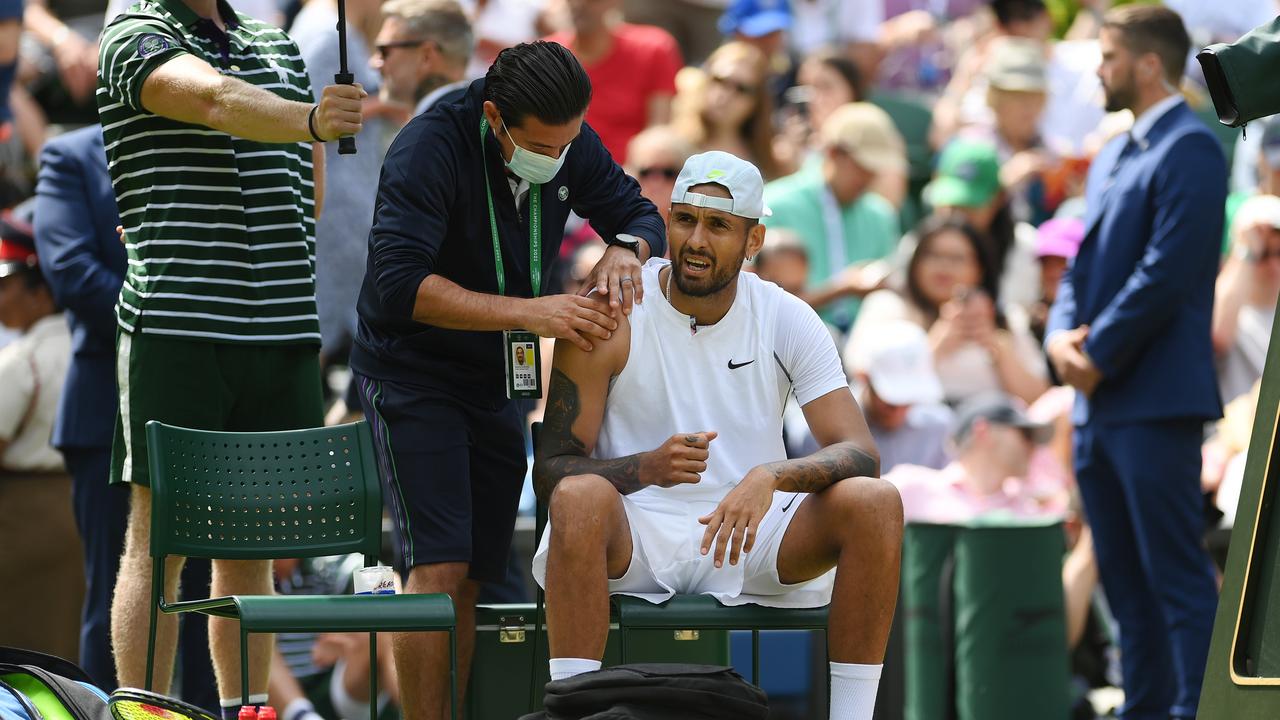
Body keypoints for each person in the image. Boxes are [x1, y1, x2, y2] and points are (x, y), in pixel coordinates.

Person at [350, 41, 665, 719]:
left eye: (569, 143)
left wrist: (620, 250)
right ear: (494, 117)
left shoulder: (565, 136)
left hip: (500, 374)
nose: (559, 159)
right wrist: (533, 313)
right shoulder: (426, 149)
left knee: (472, 577)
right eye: (544, 147)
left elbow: (642, 214)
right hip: (414, 373)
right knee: (435, 568)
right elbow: (397, 286)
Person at [532, 151, 901, 720]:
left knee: (876, 502)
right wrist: (646, 469)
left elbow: (862, 454)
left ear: (754, 240)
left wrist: (771, 476)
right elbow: (552, 467)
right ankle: (571, 714)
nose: (695, 240)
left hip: (753, 531)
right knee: (578, 499)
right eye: (684, 219)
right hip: (636, 528)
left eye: (719, 226)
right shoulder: (612, 308)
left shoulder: (787, 315)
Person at [96, 0, 365, 713]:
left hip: (281, 329)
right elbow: (216, 101)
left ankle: (246, 708)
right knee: (160, 544)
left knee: (250, 547)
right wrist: (310, 119)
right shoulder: (133, 37)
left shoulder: (274, 44)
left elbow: (307, 189)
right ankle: (145, 710)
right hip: (180, 327)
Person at [1045, 7, 1224, 719]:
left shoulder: (1194, 147)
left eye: (1110, 55)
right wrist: (1062, 340)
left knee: (1174, 578)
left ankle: (1196, 711)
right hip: (1099, 405)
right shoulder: (1118, 151)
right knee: (1123, 582)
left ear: (1150, 64)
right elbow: (1083, 265)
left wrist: (1097, 354)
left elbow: (1168, 271)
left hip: (1153, 404)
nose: (1098, 67)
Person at [33, 126, 220, 707]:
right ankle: (104, 714)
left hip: (205, 402)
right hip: (102, 413)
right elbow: (68, 270)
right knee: (116, 591)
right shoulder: (70, 155)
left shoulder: (203, 140)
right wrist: (171, 313)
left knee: (204, 593)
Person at [852, 215, 1048, 405]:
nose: (944, 266)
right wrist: (937, 343)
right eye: (933, 255)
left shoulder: (1006, 320)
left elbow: (1039, 400)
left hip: (990, 427)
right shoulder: (888, 306)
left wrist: (996, 345)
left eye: (957, 258)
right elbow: (859, 371)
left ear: (980, 269)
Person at [0, 227, 77, 663]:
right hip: (80, 510)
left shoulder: (20, 359)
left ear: (39, 291)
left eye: (7, 286)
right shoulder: (89, 349)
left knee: (17, 659)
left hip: (21, 523)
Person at [764, 102, 905, 331]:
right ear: (833, 153)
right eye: (862, 165)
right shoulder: (774, 204)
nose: (869, 176)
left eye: (875, 168)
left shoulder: (881, 216)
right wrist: (841, 288)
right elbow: (762, 307)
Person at [885, 392, 1059, 524]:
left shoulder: (1032, 510)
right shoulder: (910, 487)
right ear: (983, 431)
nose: (1033, 447)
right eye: (1025, 434)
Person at [546, 0, 683, 163]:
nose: (579, 4)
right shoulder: (545, 56)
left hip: (631, 176)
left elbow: (658, 131)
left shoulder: (653, 49)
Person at [922, 138, 1041, 312]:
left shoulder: (1026, 248)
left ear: (999, 198)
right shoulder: (918, 243)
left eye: (970, 206)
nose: (959, 215)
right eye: (952, 204)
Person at [846, 322, 952, 473]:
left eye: (910, 400)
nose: (900, 412)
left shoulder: (940, 426)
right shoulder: (819, 431)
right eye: (892, 403)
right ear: (864, 378)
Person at [672, 41, 779, 178]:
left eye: (742, 89)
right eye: (719, 81)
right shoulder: (673, 145)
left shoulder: (770, 159)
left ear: (757, 101)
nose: (726, 95)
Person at [1212, 194, 1280, 405]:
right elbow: (1219, 335)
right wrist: (1248, 249)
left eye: (1279, 253)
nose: (1273, 266)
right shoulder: (1230, 304)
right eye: (1264, 254)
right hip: (1235, 434)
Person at [367, 0, 473, 119]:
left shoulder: (430, 131)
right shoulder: (484, 120)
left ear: (426, 56)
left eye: (384, 51)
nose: (373, 63)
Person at [625, 125, 695, 226]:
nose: (657, 182)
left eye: (668, 173)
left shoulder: (698, 235)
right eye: (646, 172)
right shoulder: (612, 231)